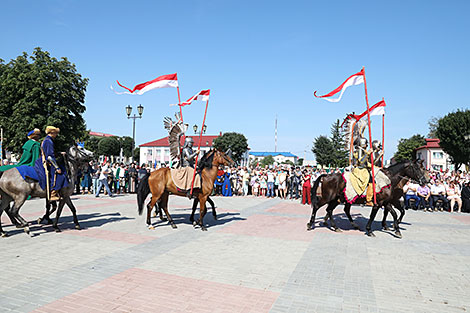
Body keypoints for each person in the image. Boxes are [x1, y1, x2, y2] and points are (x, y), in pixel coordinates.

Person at [33, 126, 68, 201]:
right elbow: (49, 156)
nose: (56, 135)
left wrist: (59, 153)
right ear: (52, 133)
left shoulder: (47, 140)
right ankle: (53, 193)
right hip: (49, 162)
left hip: (48, 159)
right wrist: (57, 167)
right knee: (60, 175)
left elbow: (51, 153)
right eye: (55, 133)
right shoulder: (49, 141)